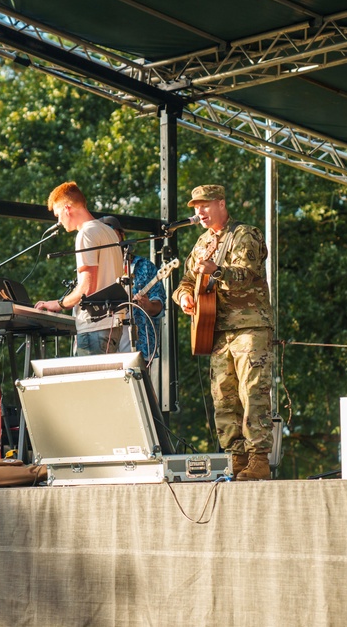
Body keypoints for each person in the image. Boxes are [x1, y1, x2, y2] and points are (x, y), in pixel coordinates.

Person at [172, 184, 275, 481]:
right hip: (216, 329)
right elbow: (186, 282)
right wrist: (184, 298)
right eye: (195, 207)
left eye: (204, 205)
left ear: (221, 203)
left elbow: (246, 276)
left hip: (250, 326)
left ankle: (259, 459)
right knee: (224, 397)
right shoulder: (202, 242)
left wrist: (216, 270)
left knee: (253, 392)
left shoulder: (245, 234)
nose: (199, 212)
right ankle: (236, 457)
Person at [33, 182, 130, 355]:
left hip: (94, 327)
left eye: (58, 215)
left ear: (67, 208)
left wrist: (58, 304)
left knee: (88, 382)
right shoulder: (107, 231)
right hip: (112, 326)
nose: (59, 221)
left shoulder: (86, 233)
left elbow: (86, 289)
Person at [99, 216, 165, 362]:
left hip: (139, 348)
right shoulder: (96, 270)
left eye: (110, 232)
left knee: (139, 385)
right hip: (105, 347)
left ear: (121, 235)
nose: (107, 237)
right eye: (102, 234)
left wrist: (148, 306)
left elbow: (160, 304)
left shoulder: (144, 266)